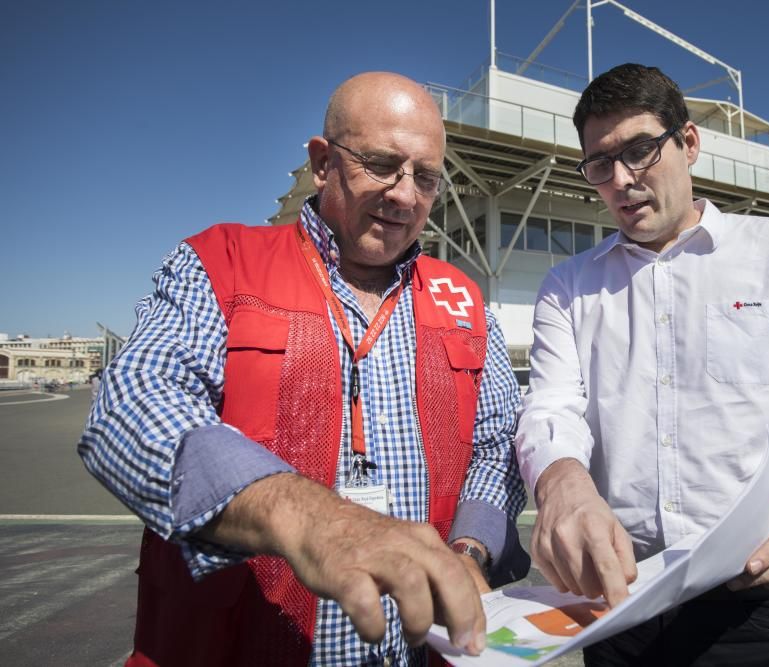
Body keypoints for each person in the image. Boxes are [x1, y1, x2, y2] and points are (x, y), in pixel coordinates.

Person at [79, 71, 528, 666]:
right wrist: (308, 517)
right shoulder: (221, 264)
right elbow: (133, 403)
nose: (404, 194)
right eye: (382, 163)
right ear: (322, 164)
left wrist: (470, 551)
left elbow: (498, 443)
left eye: (425, 177)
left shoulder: (464, 300)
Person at [516, 63, 769, 666]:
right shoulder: (567, 286)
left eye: (639, 150)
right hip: (621, 598)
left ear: (688, 143)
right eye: (599, 164)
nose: (621, 180)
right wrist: (561, 480)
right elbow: (553, 404)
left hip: (759, 596)